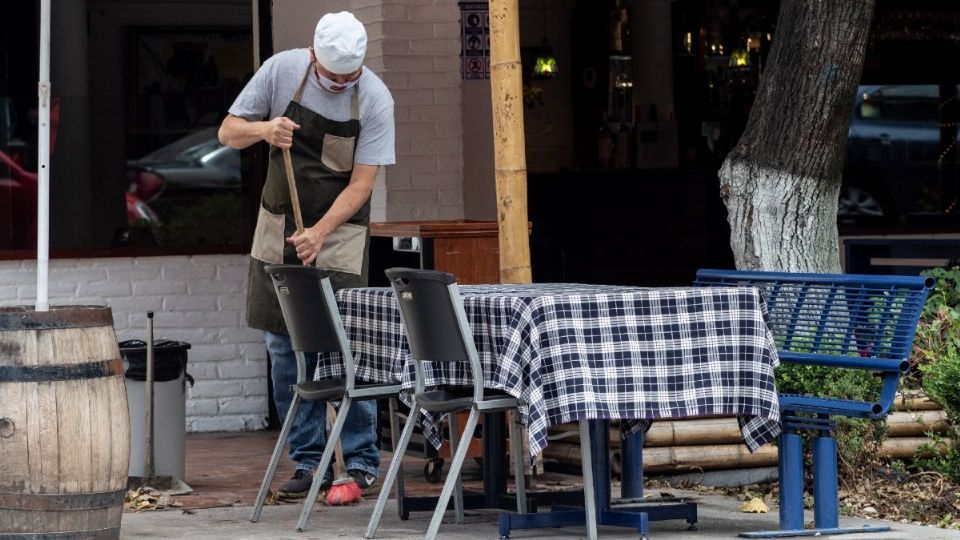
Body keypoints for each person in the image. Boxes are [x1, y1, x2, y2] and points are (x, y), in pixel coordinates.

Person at [218, 11, 395, 499]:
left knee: (347, 343)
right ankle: (308, 458)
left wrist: (320, 231)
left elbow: (362, 183)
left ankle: (359, 460)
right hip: (277, 227)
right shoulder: (281, 71)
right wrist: (264, 130)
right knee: (283, 345)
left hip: (339, 231)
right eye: (332, 77)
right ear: (314, 57)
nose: (341, 85)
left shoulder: (375, 97)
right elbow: (227, 132)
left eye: (349, 78)